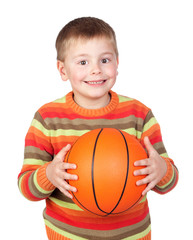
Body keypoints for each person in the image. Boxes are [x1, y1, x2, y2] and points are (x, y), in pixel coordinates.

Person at [18, 17, 178, 240]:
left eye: (104, 60)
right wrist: (49, 175)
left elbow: (167, 182)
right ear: (62, 70)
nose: (96, 70)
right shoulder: (48, 119)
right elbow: (26, 188)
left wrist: (162, 171)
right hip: (68, 235)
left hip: (132, 235)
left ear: (117, 63)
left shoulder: (139, 115)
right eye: (83, 62)